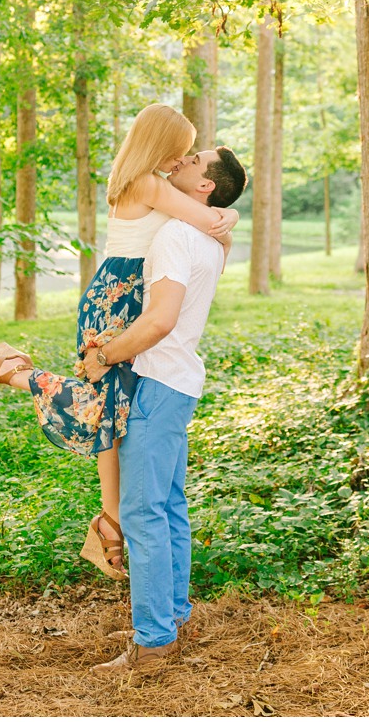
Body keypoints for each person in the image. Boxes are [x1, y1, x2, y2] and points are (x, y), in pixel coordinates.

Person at [0, 105, 238, 581]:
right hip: (118, 299)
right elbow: (212, 223)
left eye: (190, 155)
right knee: (101, 402)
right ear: (160, 143)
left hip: (119, 293)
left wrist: (221, 216)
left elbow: (206, 222)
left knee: (113, 412)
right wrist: (227, 216)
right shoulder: (148, 183)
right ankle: (14, 371)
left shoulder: (140, 179)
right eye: (181, 149)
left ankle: (110, 521)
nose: (181, 159)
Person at [85, 147, 248, 672]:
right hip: (179, 383)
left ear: (206, 187)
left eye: (193, 160)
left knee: (143, 515)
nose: (180, 161)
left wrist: (107, 354)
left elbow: (160, 319)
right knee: (169, 507)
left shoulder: (178, 237)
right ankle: (171, 616)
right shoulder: (209, 238)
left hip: (156, 383)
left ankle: (153, 642)